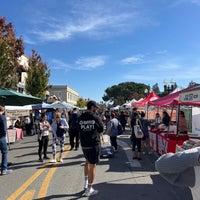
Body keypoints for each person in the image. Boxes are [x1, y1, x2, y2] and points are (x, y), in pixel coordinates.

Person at [78, 100, 104, 197]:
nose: (96, 109)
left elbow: (78, 128)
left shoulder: (80, 117)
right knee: (93, 165)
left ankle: (85, 183)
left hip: (84, 144)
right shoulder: (95, 117)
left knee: (87, 162)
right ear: (92, 107)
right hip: (93, 144)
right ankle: (89, 189)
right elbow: (101, 129)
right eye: (95, 108)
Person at [0, 105, 13, 175]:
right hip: (1, 137)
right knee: (4, 152)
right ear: (2, 110)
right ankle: (4, 169)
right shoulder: (2, 117)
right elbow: (4, 129)